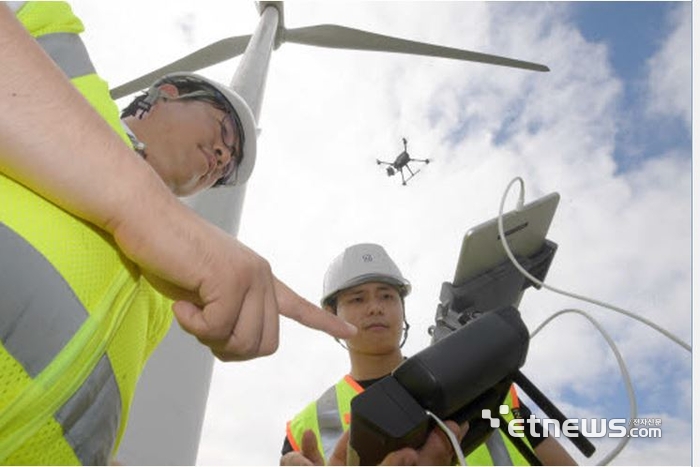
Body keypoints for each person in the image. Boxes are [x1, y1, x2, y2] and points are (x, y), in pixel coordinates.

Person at [0, 2, 354, 465]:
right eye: (223, 128)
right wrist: (139, 204)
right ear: (166, 92)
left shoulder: (165, 304)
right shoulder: (59, 65)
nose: (222, 157)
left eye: (227, 165)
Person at [281, 243, 577, 466]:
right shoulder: (304, 427)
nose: (375, 307)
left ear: (402, 306)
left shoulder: (480, 377)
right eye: (357, 299)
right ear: (331, 314)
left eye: (387, 295)